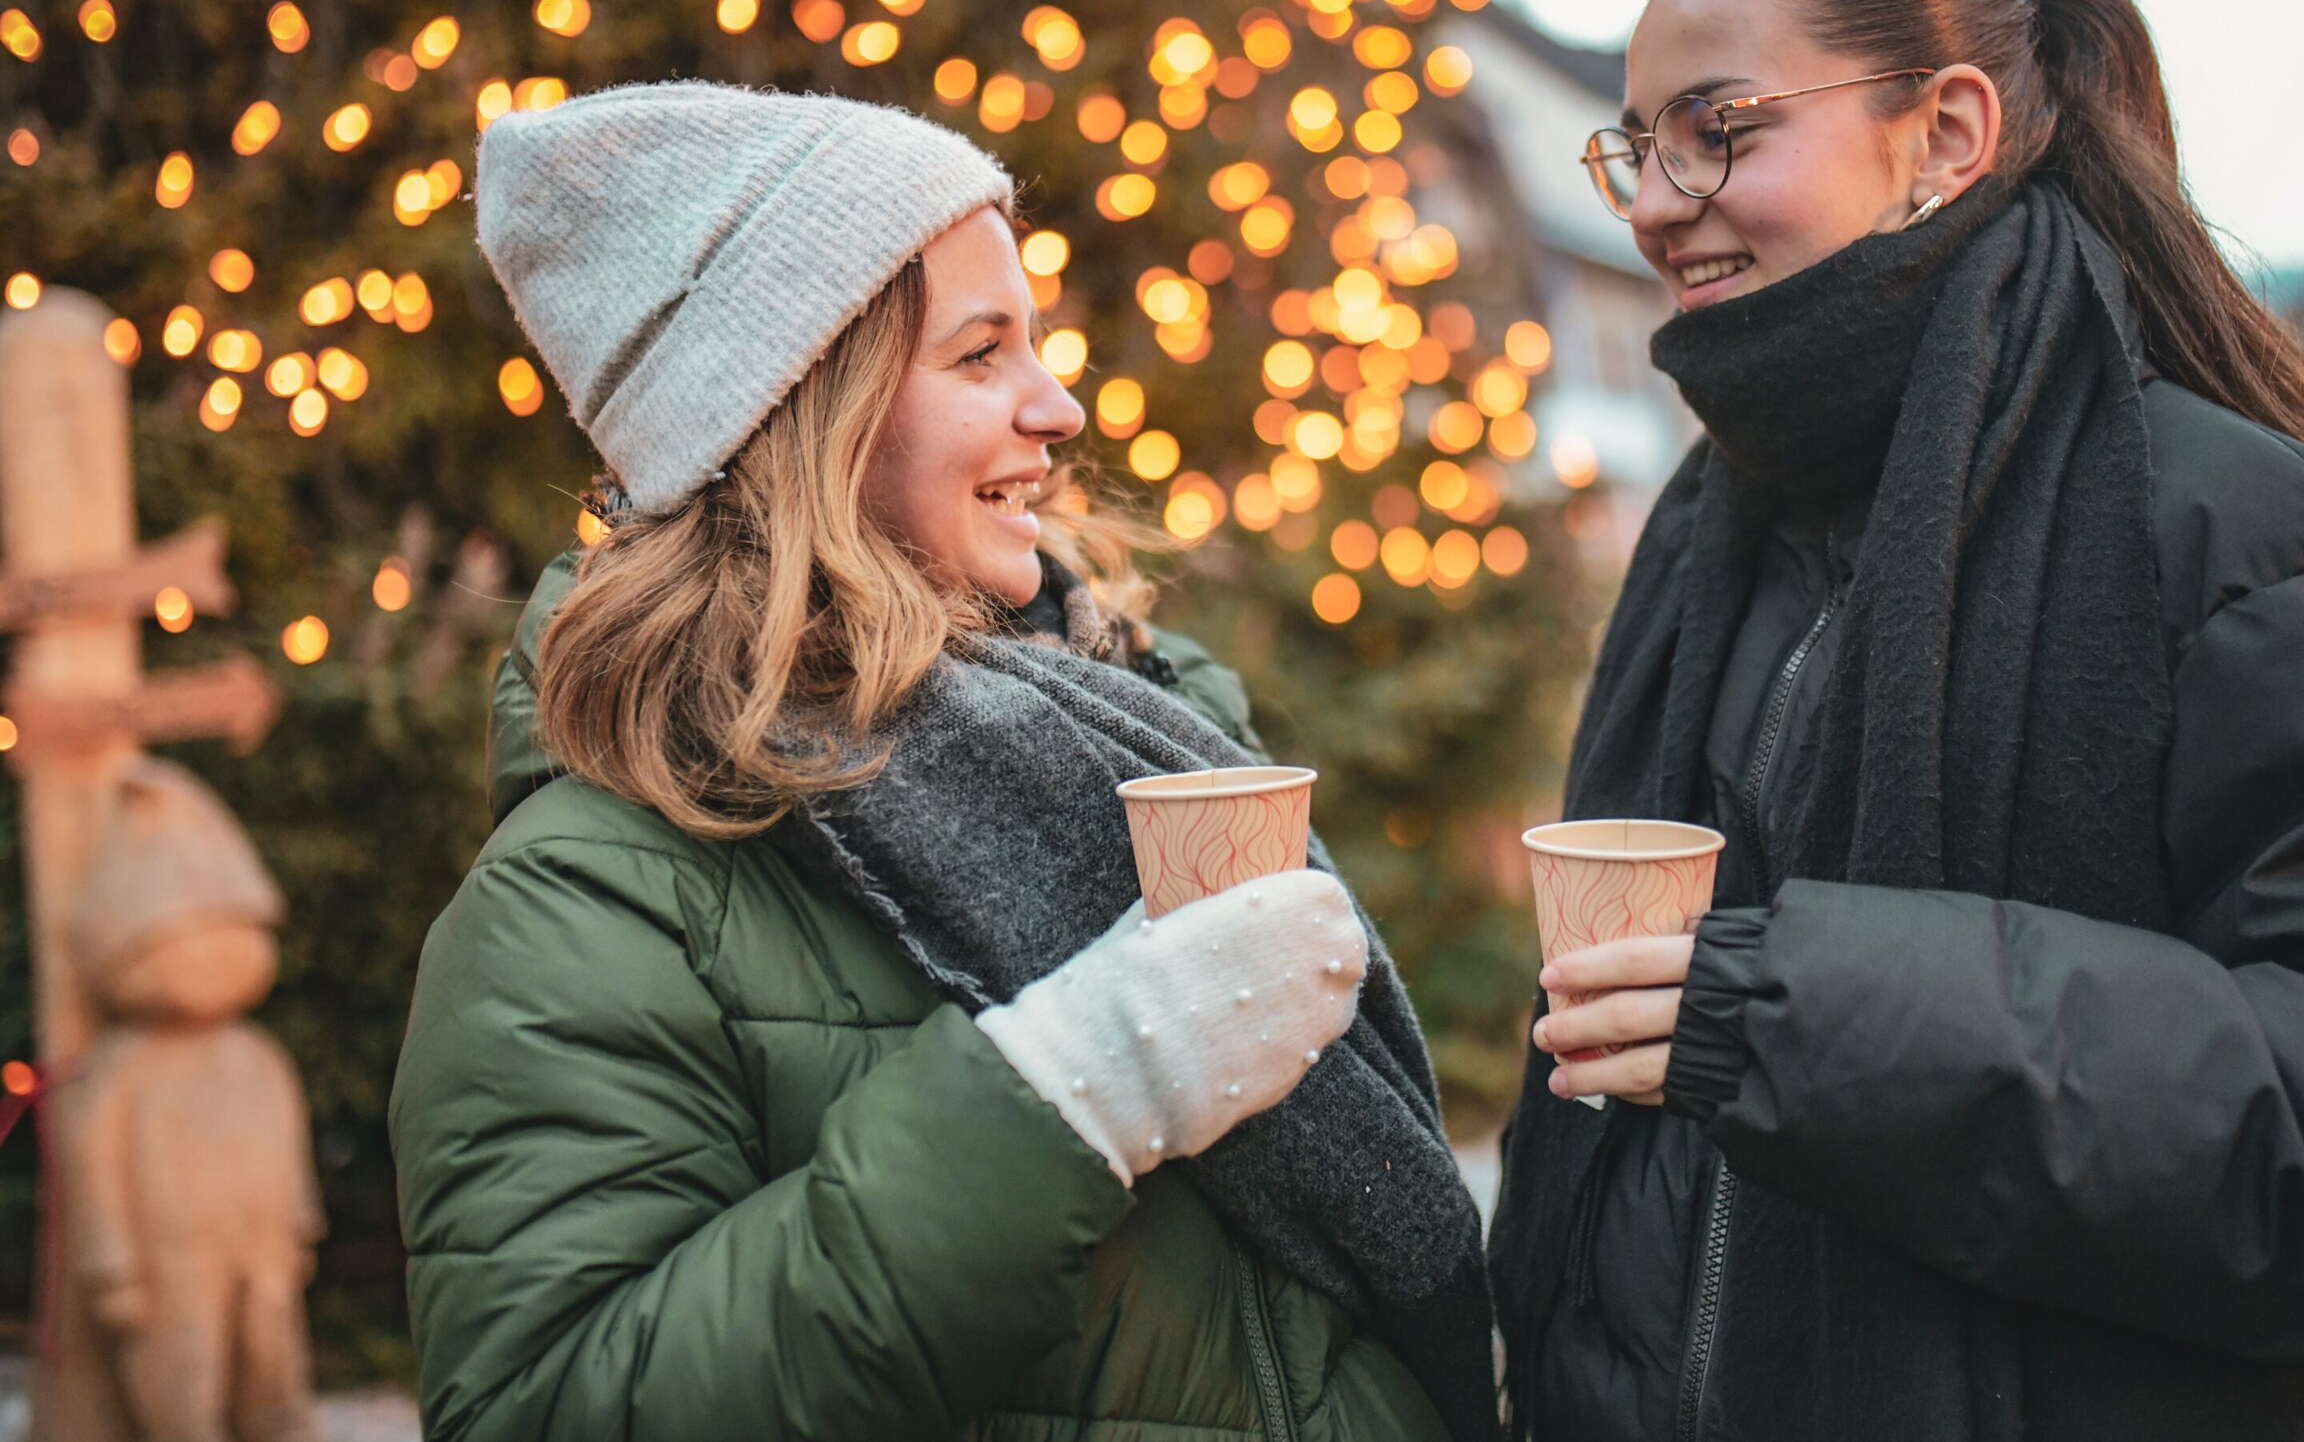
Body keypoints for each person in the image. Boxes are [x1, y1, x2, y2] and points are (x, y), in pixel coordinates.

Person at [1486, 0, 2304, 1442]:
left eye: (1718, 125)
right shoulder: (1705, 543)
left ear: (1947, 134)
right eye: (1634, 144)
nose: (1655, 196)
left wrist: (1806, 1014)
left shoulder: (2253, 536)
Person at [388, 82, 1497, 1442]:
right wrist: (1068, 1092)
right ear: (807, 418)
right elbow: (541, 1407)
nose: (1060, 405)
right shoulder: (586, 897)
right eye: (981, 355)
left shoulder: (1138, 719)